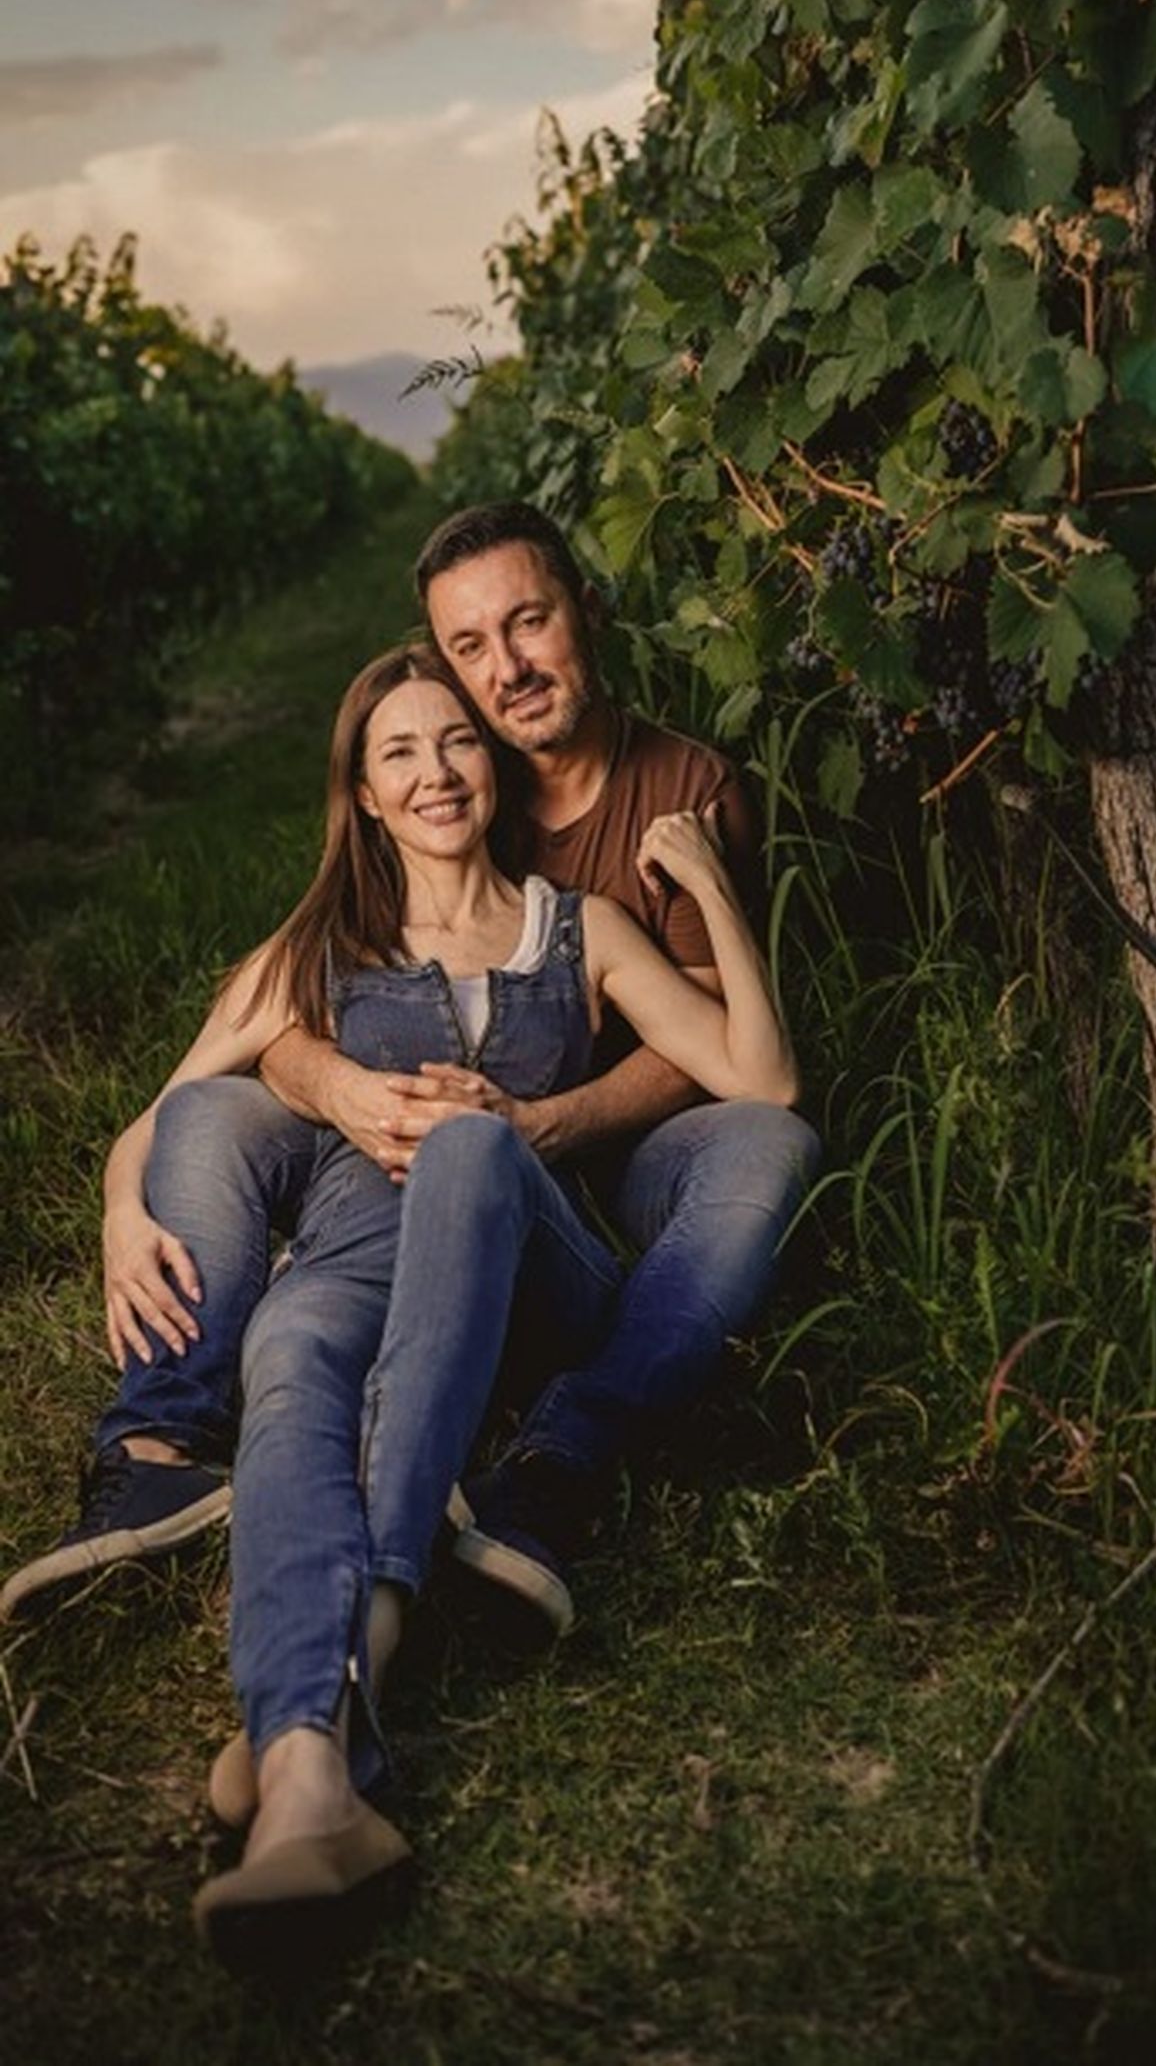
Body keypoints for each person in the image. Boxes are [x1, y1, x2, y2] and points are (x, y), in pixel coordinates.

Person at [66, 639, 794, 1961]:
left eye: (455, 738)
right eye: (399, 751)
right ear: (364, 792)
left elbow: (764, 1078)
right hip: (358, 1266)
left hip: (530, 1276)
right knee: (289, 1344)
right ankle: (304, 1771)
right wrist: (126, 1210)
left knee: (467, 1149)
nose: (437, 770)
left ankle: (370, 1642)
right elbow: (165, 1110)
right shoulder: (318, 951)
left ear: (489, 761)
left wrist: (707, 886)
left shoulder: (579, 927)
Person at [1, 502, 821, 1636]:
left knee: (769, 1141)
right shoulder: (436, 803)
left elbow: (734, 1063)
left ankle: (565, 1450)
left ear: (585, 611)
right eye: (469, 649)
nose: (506, 671)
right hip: (410, 1163)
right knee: (212, 1115)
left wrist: (536, 1124)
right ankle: (159, 1440)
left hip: (607, 1157)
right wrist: (156, 1182)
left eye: (528, 623)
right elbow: (300, 992)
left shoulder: (677, 799)